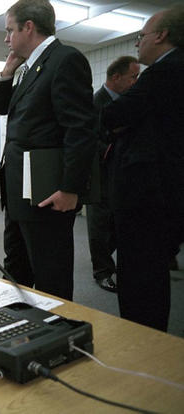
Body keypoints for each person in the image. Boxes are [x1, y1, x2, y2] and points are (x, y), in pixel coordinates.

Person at [0, 0, 97, 300]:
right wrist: (7, 72)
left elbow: (80, 129)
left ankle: (57, 338)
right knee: (17, 267)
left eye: (9, 30)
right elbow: (2, 108)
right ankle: (20, 329)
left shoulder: (65, 60)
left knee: (51, 274)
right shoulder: (29, 67)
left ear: (29, 27)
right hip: (18, 192)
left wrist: (71, 188)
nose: (6, 38)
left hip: (46, 192)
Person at [102, 5, 184, 331]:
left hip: (146, 196)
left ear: (161, 36)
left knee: (139, 276)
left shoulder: (164, 72)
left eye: (142, 36)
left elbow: (111, 117)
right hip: (166, 191)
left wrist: (122, 123)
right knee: (154, 271)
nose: (138, 44)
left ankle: (142, 341)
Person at [87, 56, 140, 293]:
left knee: (118, 223)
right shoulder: (95, 103)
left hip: (122, 174)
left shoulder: (127, 102)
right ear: (116, 77)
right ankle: (102, 272)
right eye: (133, 77)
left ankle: (107, 261)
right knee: (99, 225)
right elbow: (88, 139)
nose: (135, 82)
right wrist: (113, 144)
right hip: (99, 174)